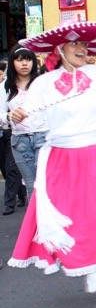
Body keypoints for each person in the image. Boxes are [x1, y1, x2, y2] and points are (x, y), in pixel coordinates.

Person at [7, 21, 96, 308]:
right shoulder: (43, 83)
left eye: (83, 44)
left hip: (93, 154)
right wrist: (18, 117)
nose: (81, 48)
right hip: (59, 158)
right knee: (72, 218)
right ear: (60, 49)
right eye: (74, 44)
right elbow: (33, 116)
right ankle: (87, 267)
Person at [0, 45, 48, 210]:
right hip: (19, 140)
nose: (24, 64)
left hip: (44, 136)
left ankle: (51, 224)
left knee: (45, 181)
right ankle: (36, 226)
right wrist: (8, 116)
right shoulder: (6, 86)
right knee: (31, 184)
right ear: (12, 62)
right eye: (19, 60)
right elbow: (0, 113)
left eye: (28, 59)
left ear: (33, 62)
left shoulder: (42, 83)